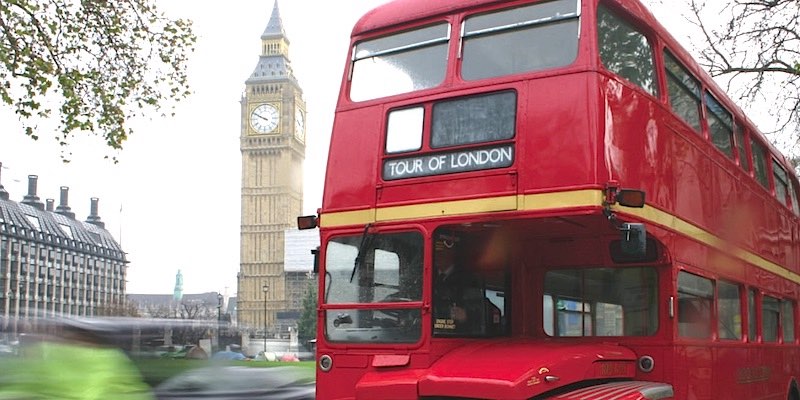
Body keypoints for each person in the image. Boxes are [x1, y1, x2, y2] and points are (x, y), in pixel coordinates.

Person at [432, 235, 485, 335]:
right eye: (436, 253)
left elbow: (479, 307)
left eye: (442, 253)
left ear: (451, 254)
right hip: (433, 328)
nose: (438, 257)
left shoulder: (468, 279)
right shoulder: (429, 274)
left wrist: (466, 314)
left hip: (457, 332)